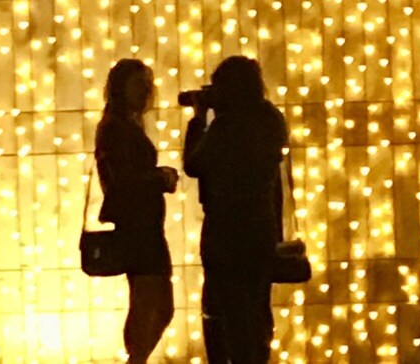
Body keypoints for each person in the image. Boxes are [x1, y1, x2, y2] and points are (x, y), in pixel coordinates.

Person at [184, 56, 287, 364]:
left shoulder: (226, 127)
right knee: (256, 304)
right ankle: (258, 356)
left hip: (227, 227)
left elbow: (193, 165)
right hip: (261, 223)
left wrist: (198, 119)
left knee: (229, 309)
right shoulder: (270, 118)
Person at [96, 59, 178, 363]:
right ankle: (137, 358)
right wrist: (158, 177)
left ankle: (137, 357)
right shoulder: (117, 128)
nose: (145, 91)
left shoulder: (124, 124)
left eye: (147, 84)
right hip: (138, 228)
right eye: (137, 84)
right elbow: (122, 180)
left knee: (154, 303)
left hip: (145, 226)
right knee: (152, 303)